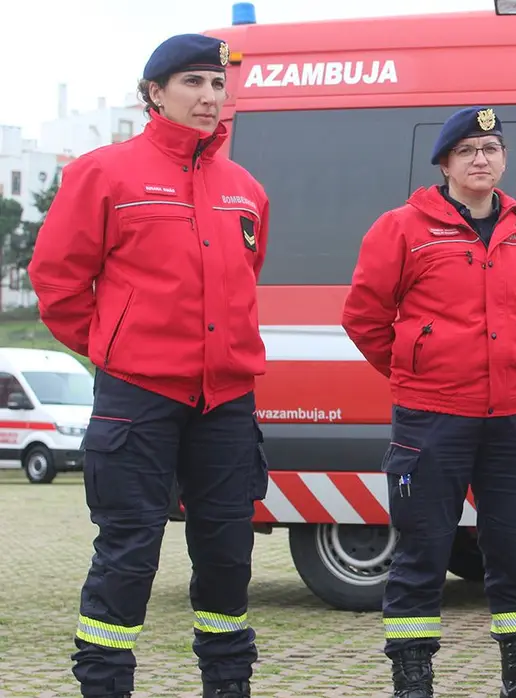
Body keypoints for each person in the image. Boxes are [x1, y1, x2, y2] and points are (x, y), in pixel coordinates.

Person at [27, 34, 270, 698]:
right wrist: (120, 349)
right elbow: (57, 282)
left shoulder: (245, 189)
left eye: (217, 84)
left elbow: (244, 279)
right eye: (192, 83)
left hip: (225, 402)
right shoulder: (104, 173)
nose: (209, 97)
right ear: (154, 94)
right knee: (128, 555)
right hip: (136, 398)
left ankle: (229, 687)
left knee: (227, 558)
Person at [342, 106, 516, 698]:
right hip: (432, 416)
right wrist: (416, 369)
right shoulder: (402, 227)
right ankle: (412, 677)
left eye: (491, 148)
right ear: (445, 163)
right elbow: (364, 316)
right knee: (423, 551)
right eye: (467, 150)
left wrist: (513, 359)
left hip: (513, 415)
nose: (481, 159)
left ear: (504, 159)